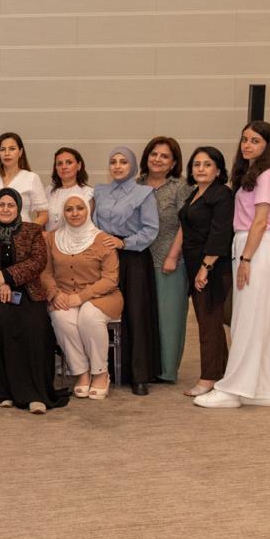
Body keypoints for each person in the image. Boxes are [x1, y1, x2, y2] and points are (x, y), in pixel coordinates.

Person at [195, 121, 270, 409]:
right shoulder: (255, 174)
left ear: (268, 146)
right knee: (255, 321)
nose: (247, 145)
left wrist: (247, 258)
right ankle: (261, 390)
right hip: (249, 244)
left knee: (247, 321)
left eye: (255, 141)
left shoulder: (268, 175)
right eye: (245, 139)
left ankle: (232, 390)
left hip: (256, 247)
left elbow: (260, 222)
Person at [0, 189, 67, 414]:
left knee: (34, 326)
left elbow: (38, 261)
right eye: (1, 204)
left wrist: (7, 277)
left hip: (27, 290)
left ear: (19, 208)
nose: (5, 209)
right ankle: (0, 391)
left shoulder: (32, 231)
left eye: (11, 205)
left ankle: (35, 394)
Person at [93, 146, 160, 395]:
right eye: (113, 161)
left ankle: (139, 375)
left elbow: (151, 229)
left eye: (123, 162)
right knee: (106, 309)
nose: (117, 166)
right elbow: (94, 223)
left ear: (132, 166)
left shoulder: (144, 193)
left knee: (135, 312)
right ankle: (108, 369)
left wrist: (124, 243)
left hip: (133, 257)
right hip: (106, 256)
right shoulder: (100, 191)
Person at [42, 195, 123, 400]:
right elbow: (45, 272)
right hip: (64, 296)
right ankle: (82, 372)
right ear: (63, 213)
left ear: (88, 211)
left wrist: (81, 297)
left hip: (102, 296)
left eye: (80, 208)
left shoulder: (102, 239)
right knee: (61, 317)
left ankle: (100, 373)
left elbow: (110, 279)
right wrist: (54, 293)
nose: (75, 213)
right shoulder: (52, 238)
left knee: (89, 317)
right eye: (69, 209)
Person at [178, 147, 234, 398]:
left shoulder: (222, 195)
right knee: (209, 322)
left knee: (209, 324)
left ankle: (208, 378)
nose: (201, 169)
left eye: (207, 164)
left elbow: (220, 233)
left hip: (212, 267)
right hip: (195, 265)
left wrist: (206, 267)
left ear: (218, 170)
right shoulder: (195, 193)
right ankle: (223, 374)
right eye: (196, 164)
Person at [138, 136, 193, 384]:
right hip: (139, 261)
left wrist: (172, 255)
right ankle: (146, 366)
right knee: (143, 317)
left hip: (169, 261)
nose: (158, 159)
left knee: (169, 318)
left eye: (164, 156)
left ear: (173, 163)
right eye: (154, 154)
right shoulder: (136, 185)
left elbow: (186, 224)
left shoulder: (180, 187)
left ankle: (166, 370)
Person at [0, 132, 48, 226]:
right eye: (2, 149)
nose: (7, 153)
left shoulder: (31, 178)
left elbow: (43, 215)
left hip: (22, 233)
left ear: (20, 152)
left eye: (12, 149)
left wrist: (29, 231)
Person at [45, 147, 95, 232]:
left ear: (79, 165)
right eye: (59, 164)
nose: (64, 167)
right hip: (48, 239)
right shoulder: (48, 190)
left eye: (69, 162)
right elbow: (42, 219)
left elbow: (85, 226)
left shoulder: (88, 192)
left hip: (76, 239)